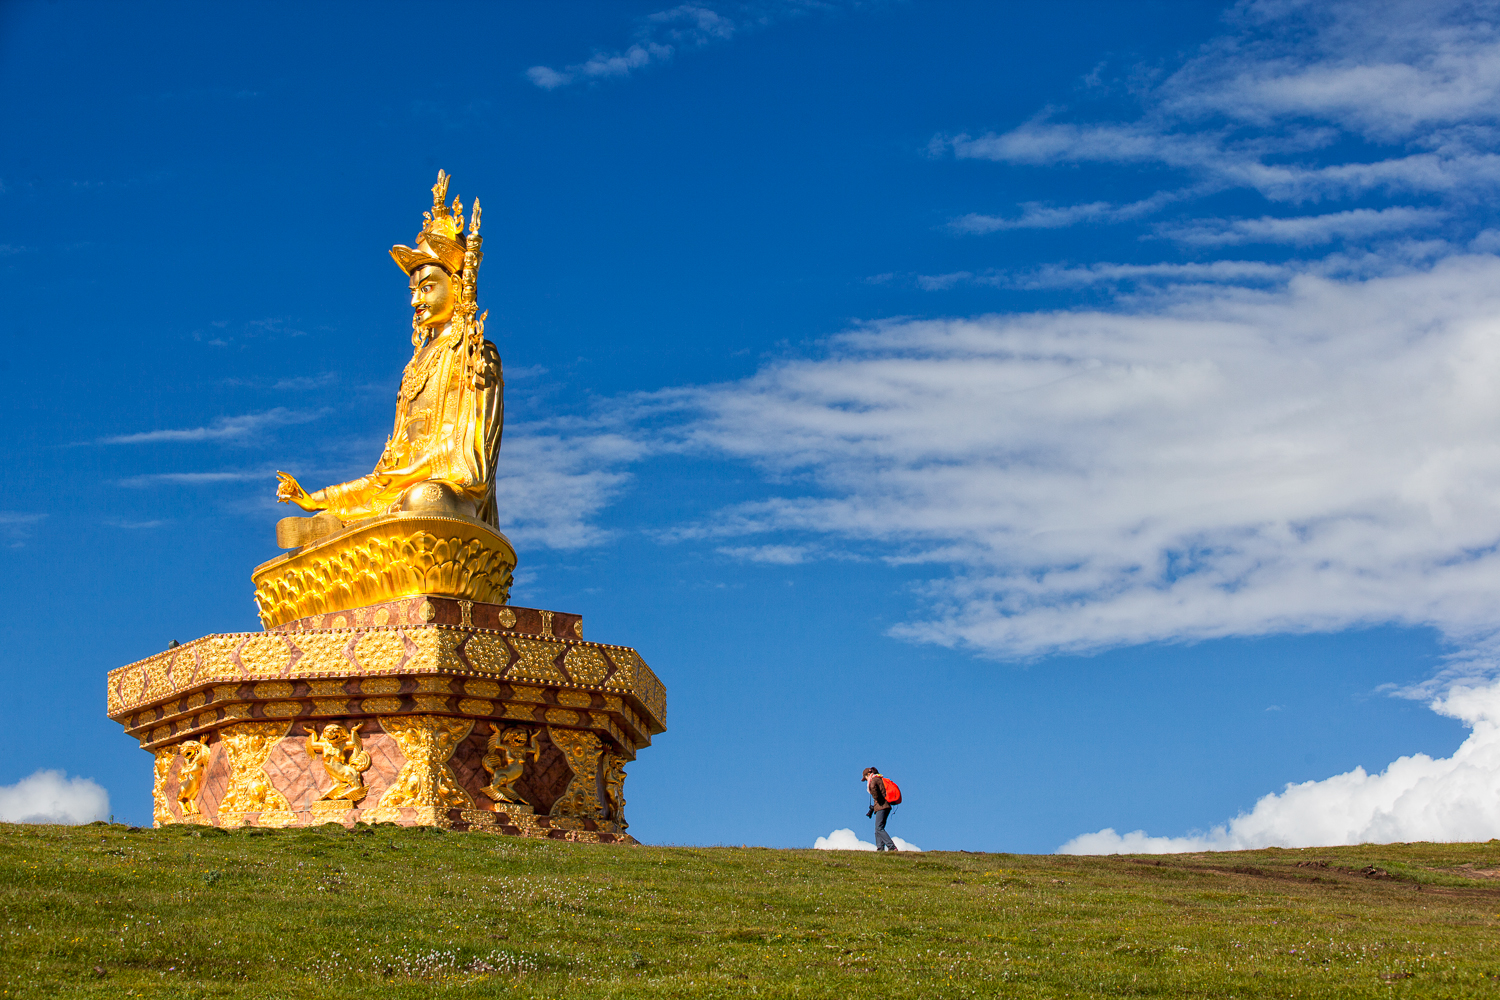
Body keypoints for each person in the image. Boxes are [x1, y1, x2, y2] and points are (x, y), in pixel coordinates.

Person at [863, 766, 898, 852]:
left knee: (879, 828)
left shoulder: (874, 780)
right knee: (878, 828)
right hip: (885, 806)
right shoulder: (879, 779)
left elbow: (875, 791)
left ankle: (892, 847)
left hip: (881, 806)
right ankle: (880, 848)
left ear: (868, 774)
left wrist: (876, 799)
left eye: (866, 777)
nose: (866, 780)